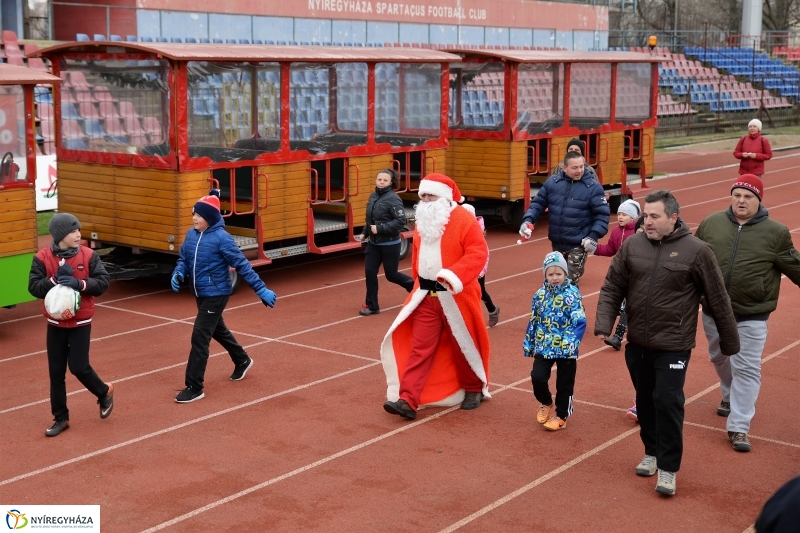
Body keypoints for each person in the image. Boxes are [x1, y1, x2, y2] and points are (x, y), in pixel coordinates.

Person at [595, 189, 739, 497]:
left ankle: (669, 468)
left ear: (673, 218)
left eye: (654, 216)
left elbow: (717, 298)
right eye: (646, 215)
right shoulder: (633, 245)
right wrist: (604, 323)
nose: (647, 221)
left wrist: (730, 342)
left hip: (674, 343)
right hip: (638, 342)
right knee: (645, 400)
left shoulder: (698, 251)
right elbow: (612, 286)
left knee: (669, 400)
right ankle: (652, 450)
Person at [696, 175, 800, 453]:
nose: (741, 201)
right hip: (714, 310)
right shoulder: (711, 224)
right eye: (737, 195)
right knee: (718, 356)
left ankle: (739, 426)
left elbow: (795, 266)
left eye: (748, 196)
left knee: (747, 367)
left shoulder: (776, 233)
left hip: (752, 313)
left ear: (759, 200)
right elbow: (692, 262)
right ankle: (729, 393)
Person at [381, 173, 490, 420]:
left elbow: (477, 253)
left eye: (431, 195)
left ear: (444, 196)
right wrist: (417, 285)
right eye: (423, 196)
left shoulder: (463, 219)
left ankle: (474, 388)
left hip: (456, 296)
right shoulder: (422, 222)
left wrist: (454, 276)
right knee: (420, 348)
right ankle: (408, 400)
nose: (427, 200)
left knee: (464, 343)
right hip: (427, 296)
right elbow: (418, 257)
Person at [171, 189, 277, 404]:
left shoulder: (222, 239)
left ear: (209, 218)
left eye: (198, 215)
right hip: (199, 292)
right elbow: (184, 257)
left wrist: (261, 289)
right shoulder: (191, 234)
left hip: (216, 293)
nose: (194, 218)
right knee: (218, 330)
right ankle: (242, 360)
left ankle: (194, 386)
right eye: (193, 214)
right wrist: (178, 272)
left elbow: (243, 266)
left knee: (200, 336)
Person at [28, 213, 114, 437]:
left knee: (78, 366)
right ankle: (61, 418)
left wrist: (80, 283)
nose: (78, 235)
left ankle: (104, 392)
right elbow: (34, 288)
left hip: (80, 322)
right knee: (56, 372)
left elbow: (102, 283)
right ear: (60, 236)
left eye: (78, 230)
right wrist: (54, 280)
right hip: (54, 324)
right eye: (73, 231)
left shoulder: (89, 255)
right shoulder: (42, 257)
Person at [519, 150, 610, 287]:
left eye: (581, 166)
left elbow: (602, 215)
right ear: (564, 168)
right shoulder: (552, 183)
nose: (579, 171)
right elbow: (537, 204)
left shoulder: (593, 187)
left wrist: (593, 236)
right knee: (555, 283)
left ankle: (575, 307)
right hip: (557, 242)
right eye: (575, 168)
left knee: (569, 284)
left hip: (579, 244)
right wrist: (528, 220)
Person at [524, 252, 586, 431]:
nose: (555, 278)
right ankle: (546, 401)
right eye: (550, 274)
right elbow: (534, 319)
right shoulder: (539, 295)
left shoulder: (572, 294)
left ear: (565, 274)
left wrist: (572, 342)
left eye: (558, 274)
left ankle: (561, 416)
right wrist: (529, 343)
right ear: (545, 275)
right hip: (544, 345)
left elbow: (580, 320)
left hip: (566, 347)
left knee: (564, 383)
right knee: (538, 376)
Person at [594, 198, 641, 422]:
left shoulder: (636, 233)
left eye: (625, 214)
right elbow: (609, 250)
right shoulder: (616, 233)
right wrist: (594, 248)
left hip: (635, 278)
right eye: (619, 213)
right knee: (620, 304)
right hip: (620, 277)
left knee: (626, 307)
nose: (620, 217)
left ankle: (618, 336)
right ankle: (616, 335)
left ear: (634, 217)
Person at [356, 168, 414, 316]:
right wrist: (364, 233)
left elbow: (401, 221)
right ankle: (372, 305)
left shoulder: (394, 199)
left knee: (391, 275)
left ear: (391, 182)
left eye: (385, 180)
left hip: (390, 244)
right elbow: (370, 220)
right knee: (370, 273)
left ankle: (415, 288)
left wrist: (381, 229)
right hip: (374, 244)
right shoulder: (373, 196)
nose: (381, 182)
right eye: (379, 179)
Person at [462, 203, 500, 327]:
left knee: (480, 291)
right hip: (463, 267)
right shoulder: (458, 230)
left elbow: (484, 255)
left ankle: (493, 310)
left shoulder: (477, 235)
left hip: (477, 269)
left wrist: (480, 272)